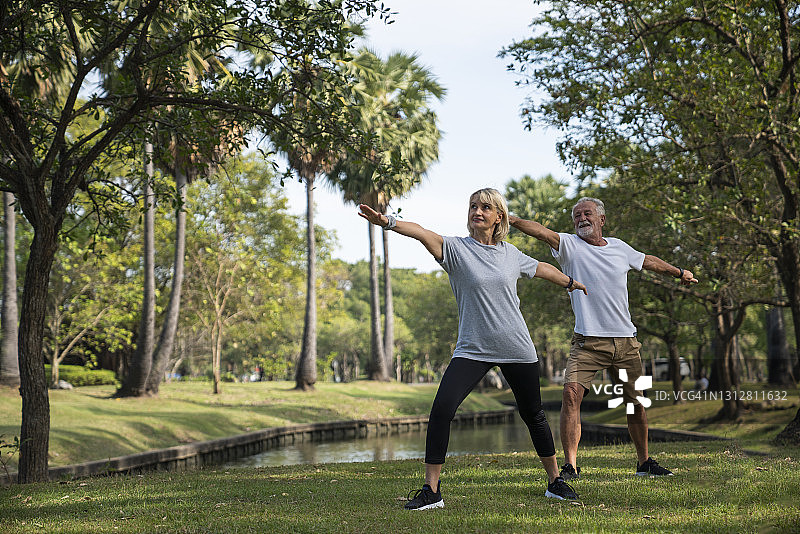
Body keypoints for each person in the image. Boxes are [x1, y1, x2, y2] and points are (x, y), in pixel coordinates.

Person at [358, 188, 588, 511]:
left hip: (516, 346)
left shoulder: (511, 254)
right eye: (473, 206)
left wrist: (569, 282)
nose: (477, 211)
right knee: (441, 410)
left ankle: (554, 481)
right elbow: (422, 233)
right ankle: (431, 491)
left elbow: (539, 268)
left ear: (499, 217)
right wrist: (388, 222)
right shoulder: (455, 249)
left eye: (485, 207)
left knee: (533, 413)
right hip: (473, 349)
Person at [508, 197, 698, 480]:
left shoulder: (620, 248)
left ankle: (644, 462)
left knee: (635, 402)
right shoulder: (569, 246)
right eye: (577, 216)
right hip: (588, 342)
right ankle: (570, 466)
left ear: (601, 220)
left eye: (587, 214)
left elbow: (648, 261)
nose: (581, 219)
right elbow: (540, 231)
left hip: (625, 341)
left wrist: (679, 272)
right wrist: (511, 220)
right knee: (571, 394)